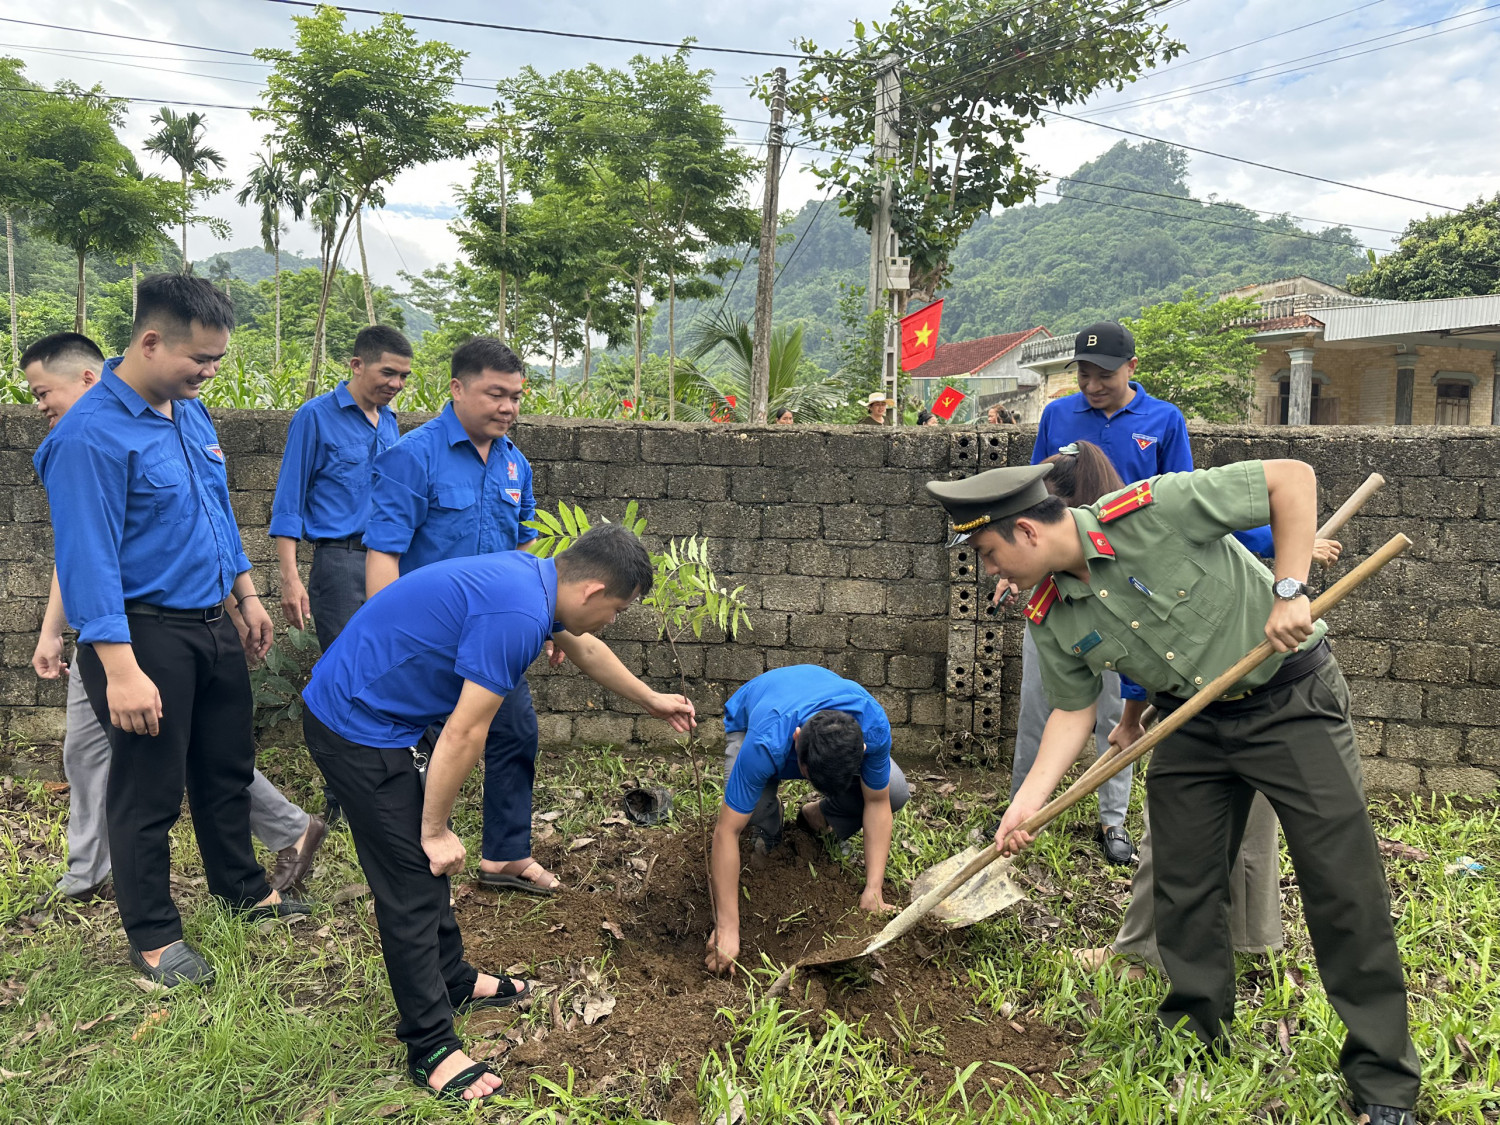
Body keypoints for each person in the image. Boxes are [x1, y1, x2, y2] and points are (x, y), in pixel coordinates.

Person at [927, 461, 1420, 1125]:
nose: (992, 573)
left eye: (989, 555)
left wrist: (1291, 589)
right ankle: (1196, 1030)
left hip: (1289, 700)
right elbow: (1072, 715)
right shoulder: (1049, 614)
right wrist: (1027, 803)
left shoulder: (1155, 509)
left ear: (1025, 530)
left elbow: (1293, 480)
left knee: (1343, 882)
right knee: (1184, 884)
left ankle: (1383, 1082)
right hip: (1190, 720)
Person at [301, 524, 695, 1102]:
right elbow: (463, 734)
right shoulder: (517, 617)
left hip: (383, 719)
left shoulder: (534, 579)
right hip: (355, 727)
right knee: (411, 876)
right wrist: (434, 830)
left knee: (421, 866)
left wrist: (653, 700)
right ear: (590, 591)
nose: (611, 622)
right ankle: (430, 1045)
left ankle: (453, 979)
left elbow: (586, 647)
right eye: (617, 609)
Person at [33, 276, 310, 989]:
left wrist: (246, 596)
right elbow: (88, 556)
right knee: (146, 790)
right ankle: (153, 936)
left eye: (217, 359)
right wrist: (119, 667)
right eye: (201, 358)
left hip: (210, 622)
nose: (209, 372)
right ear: (150, 341)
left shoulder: (189, 411)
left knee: (222, 766)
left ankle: (242, 888)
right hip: (140, 634)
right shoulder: (89, 434)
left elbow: (215, 513)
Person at [1021, 322, 1280, 862]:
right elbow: (1032, 503)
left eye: (1105, 375)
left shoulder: (1163, 420)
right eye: (1085, 375)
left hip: (1133, 584)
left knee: (1123, 707)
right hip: (1066, 578)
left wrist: (1274, 544)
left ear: (1132, 368)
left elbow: (1184, 509)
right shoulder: (1055, 415)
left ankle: (1112, 821)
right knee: (1044, 701)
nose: (1093, 386)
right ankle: (1026, 811)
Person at [362, 336, 556, 896]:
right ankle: (414, 855)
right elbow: (385, 553)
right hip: (428, 640)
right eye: (496, 394)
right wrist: (387, 638)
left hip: (494, 638)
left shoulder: (516, 462)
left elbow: (527, 549)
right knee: (414, 752)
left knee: (516, 733)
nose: (508, 407)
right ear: (457, 388)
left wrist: (539, 619)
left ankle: (505, 856)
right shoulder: (413, 456)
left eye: (516, 396)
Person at [270, 323, 411, 824]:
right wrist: (289, 577)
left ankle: (381, 777)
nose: (395, 383)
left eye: (403, 376)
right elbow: (289, 502)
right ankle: (343, 791)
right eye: (386, 372)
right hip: (339, 562)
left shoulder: (390, 422)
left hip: (386, 562)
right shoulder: (315, 417)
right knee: (347, 672)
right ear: (356, 365)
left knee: (388, 666)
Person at [704, 664, 910, 976]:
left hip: (807, 708)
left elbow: (878, 802)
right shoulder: (765, 741)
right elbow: (726, 831)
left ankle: (818, 817)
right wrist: (728, 927)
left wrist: (873, 889)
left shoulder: (873, 725)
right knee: (749, 813)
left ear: (862, 748)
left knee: (892, 790)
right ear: (797, 740)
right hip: (754, 717)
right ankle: (770, 830)